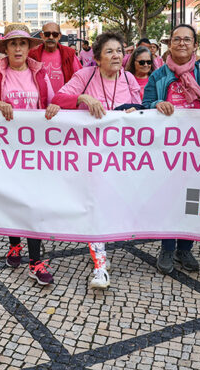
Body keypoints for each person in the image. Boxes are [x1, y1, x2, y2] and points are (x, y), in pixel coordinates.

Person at [52, 32, 142, 290]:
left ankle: (100, 250)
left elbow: (141, 109)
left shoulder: (129, 78)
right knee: (96, 206)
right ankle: (100, 265)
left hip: (120, 153)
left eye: (120, 51)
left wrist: (136, 111)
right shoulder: (85, 76)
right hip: (90, 153)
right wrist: (82, 97)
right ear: (98, 57)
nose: (117, 56)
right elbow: (57, 99)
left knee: (112, 205)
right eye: (110, 51)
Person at [0, 24, 60, 286]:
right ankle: (14, 244)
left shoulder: (40, 74)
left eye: (22, 44)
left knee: (32, 203)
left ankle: (35, 262)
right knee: (12, 201)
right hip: (5, 151)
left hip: (35, 151)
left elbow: (52, 104)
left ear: (29, 48)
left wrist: (54, 108)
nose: (18, 48)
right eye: (13, 44)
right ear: (5, 48)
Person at [142, 24, 200, 275]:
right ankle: (167, 247)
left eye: (187, 39)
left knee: (196, 198)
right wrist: (158, 103)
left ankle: (185, 248)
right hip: (167, 149)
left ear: (195, 45)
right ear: (169, 44)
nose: (182, 44)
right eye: (176, 39)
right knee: (169, 196)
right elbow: (145, 104)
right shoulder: (158, 75)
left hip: (198, 148)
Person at [28, 22, 82, 94]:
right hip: (40, 102)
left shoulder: (69, 54)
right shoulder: (32, 54)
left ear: (59, 36)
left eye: (55, 34)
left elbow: (80, 78)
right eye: (47, 34)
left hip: (63, 102)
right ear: (41, 35)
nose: (51, 37)